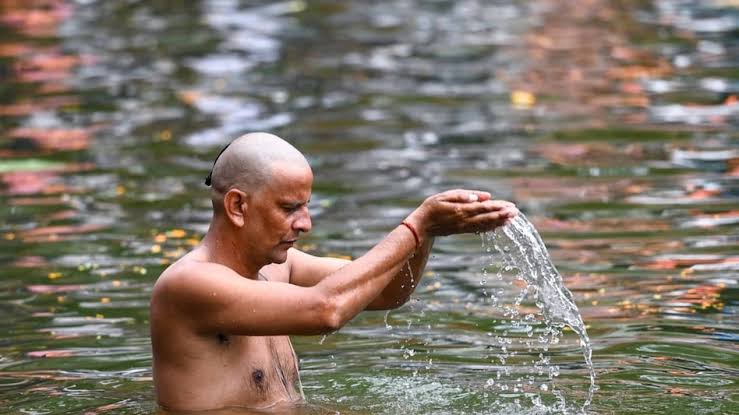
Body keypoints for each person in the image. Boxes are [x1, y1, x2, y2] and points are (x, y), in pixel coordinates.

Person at [150, 132, 518, 412]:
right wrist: (416, 227)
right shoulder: (188, 285)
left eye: (306, 206)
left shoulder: (283, 268)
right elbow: (326, 310)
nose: (305, 223)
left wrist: (430, 234)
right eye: (290, 208)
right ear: (237, 206)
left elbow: (392, 291)